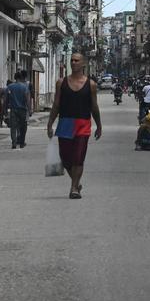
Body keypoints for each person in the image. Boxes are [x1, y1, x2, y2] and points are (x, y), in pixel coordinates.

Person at [46, 52, 103, 198]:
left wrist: (99, 125)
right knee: (65, 158)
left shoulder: (91, 84)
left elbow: (94, 107)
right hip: (65, 122)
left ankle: (73, 189)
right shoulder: (61, 83)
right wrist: (50, 123)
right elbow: (57, 104)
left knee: (78, 157)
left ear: (83, 63)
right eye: (71, 60)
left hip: (83, 124)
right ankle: (76, 182)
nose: (73, 63)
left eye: (76, 60)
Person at [5, 71, 33, 149]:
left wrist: (5, 110)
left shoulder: (10, 87)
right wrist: (29, 110)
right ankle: (21, 142)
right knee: (22, 127)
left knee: (13, 127)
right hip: (23, 110)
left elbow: (6, 100)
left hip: (13, 110)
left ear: (14, 78)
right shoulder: (24, 87)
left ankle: (14, 143)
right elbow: (27, 100)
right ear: (21, 78)